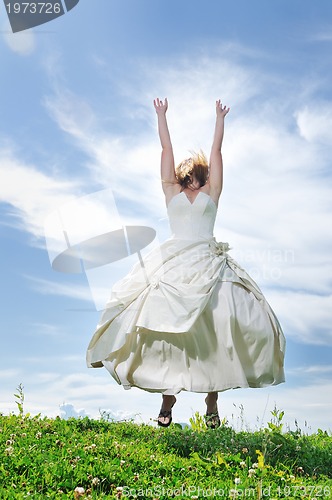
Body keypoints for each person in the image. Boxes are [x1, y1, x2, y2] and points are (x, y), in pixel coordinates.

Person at [87, 98, 285, 429]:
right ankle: (168, 398)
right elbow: (165, 148)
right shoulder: (170, 190)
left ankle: (212, 399)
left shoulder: (213, 190)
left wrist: (219, 121)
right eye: (185, 170)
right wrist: (161, 116)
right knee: (166, 327)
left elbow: (217, 151)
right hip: (175, 262)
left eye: (195, 169)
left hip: (208, 261)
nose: (188, 171)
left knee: (217, 326)